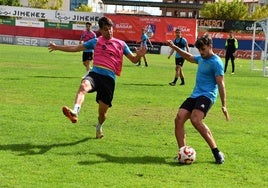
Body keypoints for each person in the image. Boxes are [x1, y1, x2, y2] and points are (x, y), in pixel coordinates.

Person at [48, 17, 147, 139]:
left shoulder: (121, 44)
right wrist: (57, 47)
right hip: (95, 74)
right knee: (83, 86)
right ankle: (75, 112)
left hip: (109, 79)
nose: (109, 31)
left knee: (102, 114)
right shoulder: (96, 41)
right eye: (105, 29)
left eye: (110, 28)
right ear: (100, 30)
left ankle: (99, 126)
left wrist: (139, 56)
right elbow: (75, 48)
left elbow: (133, 59)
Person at [166, 34, 230, 164]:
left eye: (204, 49)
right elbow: (188, 57)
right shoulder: (201, 58)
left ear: (210, 46)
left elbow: (221, 84)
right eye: (200, 50)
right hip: (195, 95)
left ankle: (217, 152)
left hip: (207, 96)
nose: (201, 52)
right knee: (179, 118)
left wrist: (224, 105)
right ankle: (183, 153)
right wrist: (174, 47)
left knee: (196, 120)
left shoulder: (216, 62)